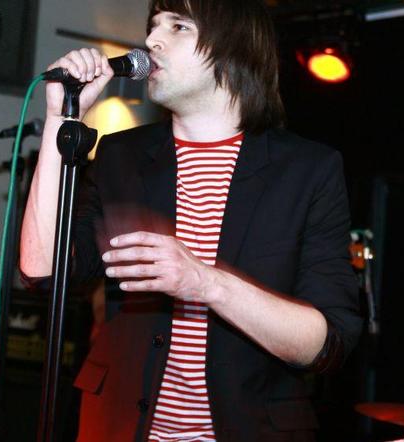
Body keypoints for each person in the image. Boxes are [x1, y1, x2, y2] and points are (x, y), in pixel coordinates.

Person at [20, 0, 363, 440]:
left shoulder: (307, 170)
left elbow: (327, 342)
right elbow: (42, 271)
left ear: (235, 44)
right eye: (153, 25)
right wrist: (60, 120)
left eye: (178, 26)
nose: (151, 39)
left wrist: (204, 282)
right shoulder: (121, 156)